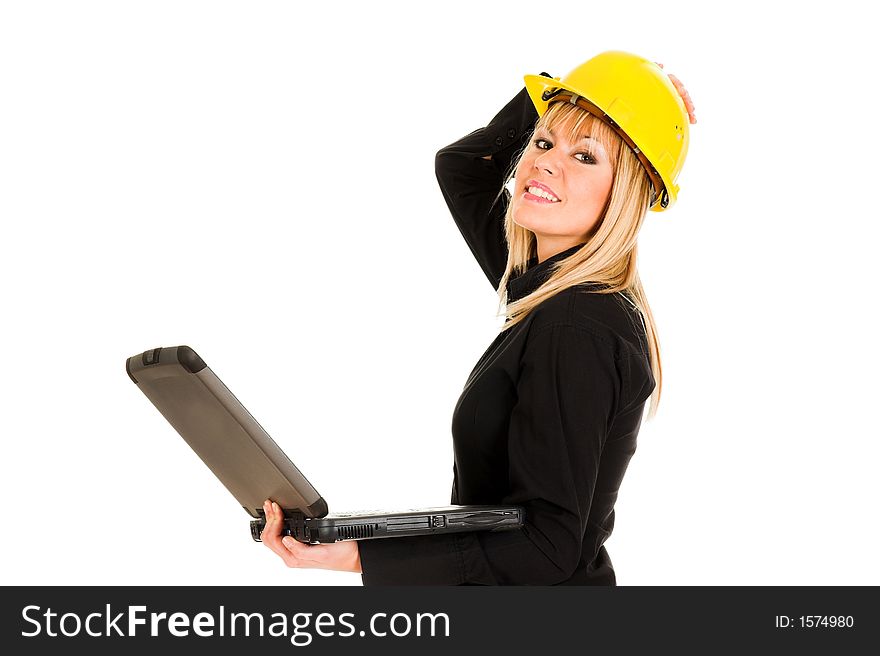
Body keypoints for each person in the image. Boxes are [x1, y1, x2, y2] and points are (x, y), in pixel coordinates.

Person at [259, 51, 697, 584]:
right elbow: (463, 169)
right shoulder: (544, 287)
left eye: (585, 157)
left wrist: (360, 555)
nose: (544, 162)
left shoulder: (575, 324)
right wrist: (592, 94)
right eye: (542, 140)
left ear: (625, 192)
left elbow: (544, 546)